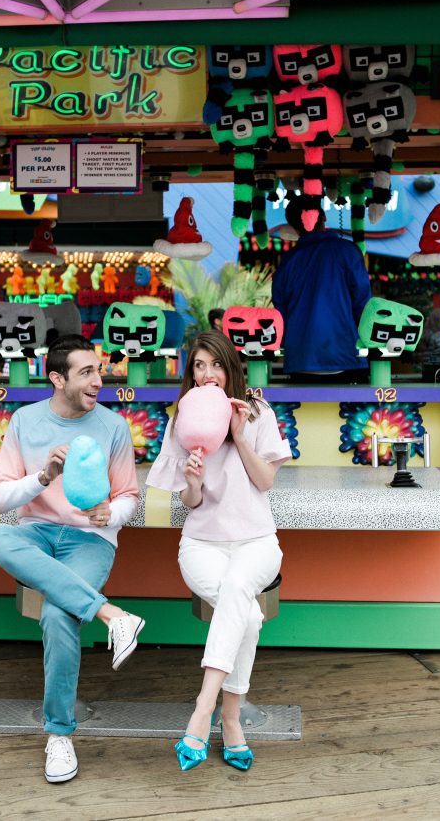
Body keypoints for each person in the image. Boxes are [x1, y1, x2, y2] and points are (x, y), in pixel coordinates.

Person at [0, 334, 144, 785]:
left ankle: (59, 736)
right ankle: (112, 616)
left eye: (99, 370)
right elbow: (0, 498)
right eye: (87, 372)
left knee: (58, 613)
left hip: (89, 539)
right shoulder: (25, 421)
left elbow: (130, 495)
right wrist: (43, 476)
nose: (100, 380)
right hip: (34, 531)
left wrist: (112, 512)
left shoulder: (112, 427)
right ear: (57, 378)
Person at [146, 329, 291, 772]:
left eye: (216, 365)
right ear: (191, 373)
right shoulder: (182, 421)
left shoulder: (258, 412)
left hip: (257, 543)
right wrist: (192, 480)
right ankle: (230, 719)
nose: (208, 375)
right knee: (245, 614)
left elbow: (265, 482)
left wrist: (239, 435)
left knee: (239, 597)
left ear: (231, 370)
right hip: (201, 545)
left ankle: (203, 712)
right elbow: (189, 502)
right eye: (199, 366)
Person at [271, 195, 372, 382]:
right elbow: (364, 306)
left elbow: (279, 313)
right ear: (323, 216)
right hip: (347, 358)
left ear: (293, 226)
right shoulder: (348, 252)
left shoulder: (288, 262)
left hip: (301, 362)